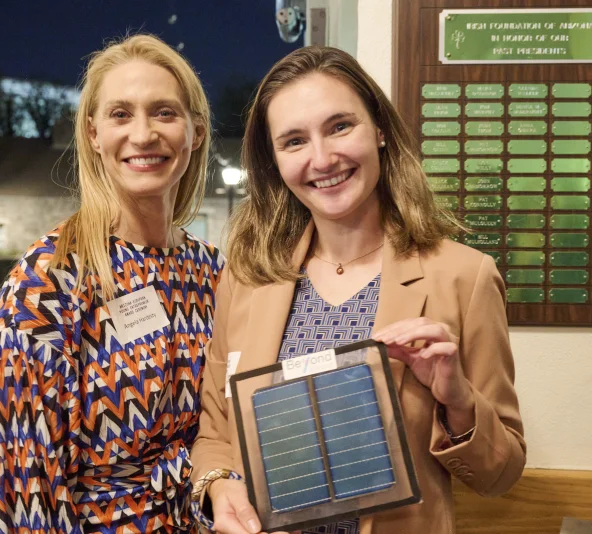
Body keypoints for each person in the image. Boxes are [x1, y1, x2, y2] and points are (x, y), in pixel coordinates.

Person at [189, 46, 526, 534]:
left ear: (381, 130)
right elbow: (215, 432)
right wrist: (220, 487)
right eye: (294, 141)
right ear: (274, 161)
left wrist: (458, 401)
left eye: (340, 126)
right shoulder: (247, 277)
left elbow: (502, 473)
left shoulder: (463, 277)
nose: (322, 159)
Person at [0, 34, 224, 533]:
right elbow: (24, 488)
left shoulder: (211, 271)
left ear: (195, 133)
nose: (143, 134)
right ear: (93, 134)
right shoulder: (49, 281)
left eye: (164, 113)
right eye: (120, 115)